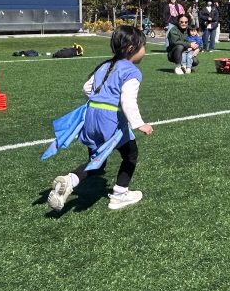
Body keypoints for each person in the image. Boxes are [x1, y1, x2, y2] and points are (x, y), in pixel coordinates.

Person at [46, 26, 153, 211]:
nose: (145, 50)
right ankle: (119, 195)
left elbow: (87, 88)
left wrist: (99, 102)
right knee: (130, 154)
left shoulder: (105, 65)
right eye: (143, 46)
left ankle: (70, 180)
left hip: (91, 116)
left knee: (97, 162)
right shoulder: (131, 71)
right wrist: (139, 124)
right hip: (109, 120)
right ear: (131, 48)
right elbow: (128, 100)